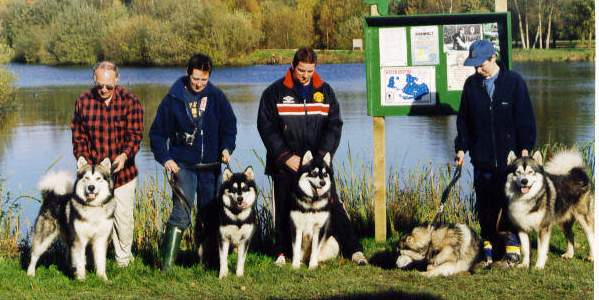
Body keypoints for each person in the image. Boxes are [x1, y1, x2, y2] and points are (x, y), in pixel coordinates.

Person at [257, 47, 367, 266]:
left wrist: (322, 157)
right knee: (283, 207)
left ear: (315, 68)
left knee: (333, 205)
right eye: (301, 70)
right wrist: (285, 156)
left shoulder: (325, 92)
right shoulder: (274, 92)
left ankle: (354, 250)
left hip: (318, 164)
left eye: (309, 70)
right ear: (292, 66)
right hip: (286, 164)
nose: (305, 75)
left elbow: (334, 126)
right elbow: (266, 127)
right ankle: (281, 253)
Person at [149, 53, 237, 272]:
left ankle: (210, 261)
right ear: (188, 74)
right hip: (183, 166)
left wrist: (227, 147)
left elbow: (230, 126)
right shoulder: (174, 98)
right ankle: (166, 267)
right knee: (181, 214)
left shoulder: (217, 97)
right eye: (195, 78)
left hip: (212, 167)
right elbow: (157, 134)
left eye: (203, 80)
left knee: (211, 215)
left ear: (209, 77)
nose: (199, 84)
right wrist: (166, 158)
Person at [454, 40, 536, 267]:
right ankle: (488, 251)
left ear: (493, 59)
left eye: (480, 64)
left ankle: (512, 250)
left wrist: (526, 148)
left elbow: (526, 120)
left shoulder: (514, 82)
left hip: (510, 163)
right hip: (482, 159)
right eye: (474, 65)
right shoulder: (471, 85)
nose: (477, 69)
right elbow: (464, 121)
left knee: (509, 206)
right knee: (486, 207)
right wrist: (461, 147)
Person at [71, 61, 144, 268]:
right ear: (94, 79)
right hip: (93, 178)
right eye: (100, 85)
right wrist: (82, 159)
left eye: (108, 86)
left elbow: (135, 135)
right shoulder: (83, 101)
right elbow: (78, 136)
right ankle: (90, 262)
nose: (103, 90)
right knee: (89, 219)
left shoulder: (131, 102)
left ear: (116, 80)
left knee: (123, 219)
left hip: (124, 174)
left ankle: (123, 261)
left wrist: (124, 155)